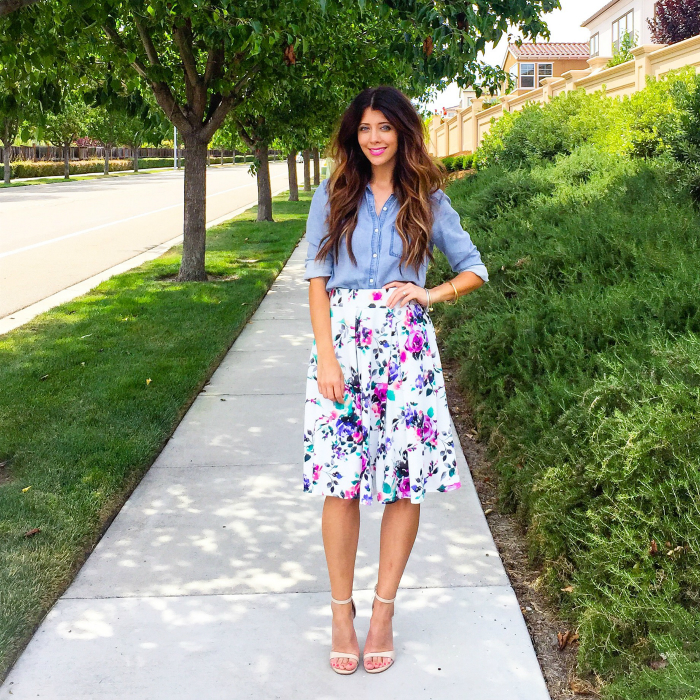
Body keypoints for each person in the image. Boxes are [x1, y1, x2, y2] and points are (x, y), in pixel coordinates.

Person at [302, 86, 488, 675]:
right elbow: (316, 277)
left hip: (405, 351)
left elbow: (474, 268)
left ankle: (382, 611)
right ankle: (340, 613)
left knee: (403, 485)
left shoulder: (428, 198)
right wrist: (326, 357)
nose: (374, 138)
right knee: (342, 482)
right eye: (364, 128)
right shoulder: (333, 195)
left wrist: (429, 293)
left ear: (404, 132)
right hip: (343, 351)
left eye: (385, 127)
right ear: (353, 136)